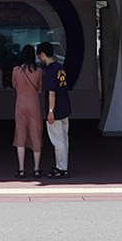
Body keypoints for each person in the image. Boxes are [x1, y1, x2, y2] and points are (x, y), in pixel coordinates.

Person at [38, 42, 71, 178]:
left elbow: (52, 92)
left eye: (39, 56)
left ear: (43, 54)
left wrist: (50, 111)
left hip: (56, 111)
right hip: (65, 108)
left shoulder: (50, 71)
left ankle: (61, 168)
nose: (39, 59)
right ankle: (63, 166)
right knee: (64, 139)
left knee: (57, 141)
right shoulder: (60, 68)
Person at [10, 45, 43, 178]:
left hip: (21, 104)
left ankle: (21, 169)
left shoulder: (16, 70)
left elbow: (14, 85)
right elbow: (40, 90)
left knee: (21, 135)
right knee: (36, 135)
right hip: (34, 104)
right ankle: (36, 168)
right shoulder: (39, 71)